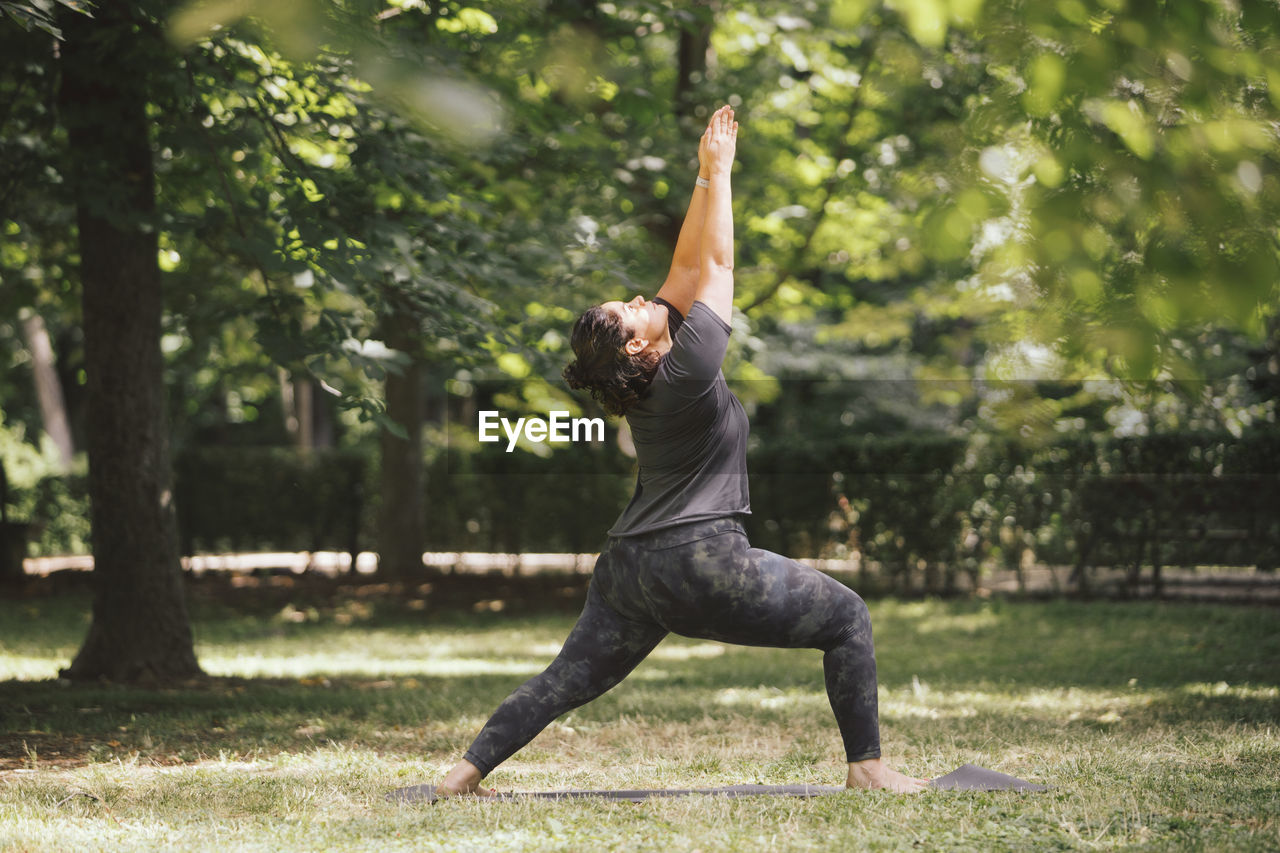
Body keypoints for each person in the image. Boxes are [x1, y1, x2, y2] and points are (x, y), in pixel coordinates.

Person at [436, 105, 927, 796]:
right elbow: (717, 262)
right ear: (637, 345)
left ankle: (461, 774)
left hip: (629, 568)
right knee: (847, 616)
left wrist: (702, 178)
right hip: (701, 562)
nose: (643, 297)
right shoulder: (690, 366)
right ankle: (869, 769)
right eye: (631, 308)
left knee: (564, 680)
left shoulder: (642, 380)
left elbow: (684, 267)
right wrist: (723, 172)